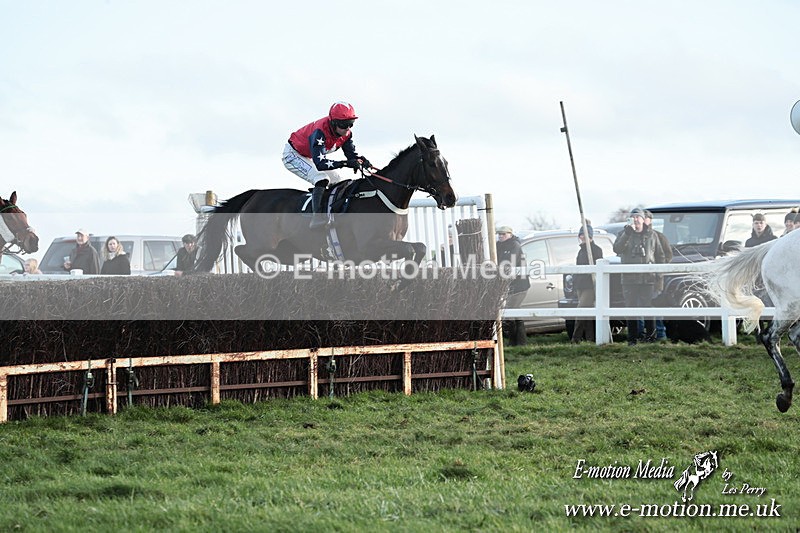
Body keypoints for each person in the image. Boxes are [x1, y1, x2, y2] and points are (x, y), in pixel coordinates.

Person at [283, 102, 372, 229]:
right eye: (344, 124)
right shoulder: (320, 132)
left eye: (351, 123)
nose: (348, 128)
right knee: (321, 178)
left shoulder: (346, 134)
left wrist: (361, 161)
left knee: (339, 182)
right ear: (333, 123)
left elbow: (351, 156)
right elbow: (320, 164)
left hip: (309, 156)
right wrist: (346, 164)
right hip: (293, 155)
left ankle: (333, 214)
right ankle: (317, 218)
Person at [613, 208, 666, 345]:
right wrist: (627, 234)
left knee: (648, 308)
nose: (635, 220)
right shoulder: (623, 234)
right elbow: (617, 249)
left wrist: (659, 275)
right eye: (633, 217)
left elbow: (660, 256)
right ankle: (632, 339)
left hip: (647, 278)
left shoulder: (652, 235)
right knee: (630, 309)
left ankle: (651, 337)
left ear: (643, 219)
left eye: (638, 217)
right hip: (629, 279)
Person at [496, 225, 530, 346]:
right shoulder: (498, 246)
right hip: (509, 284)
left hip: (519, 284)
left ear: (510, 234)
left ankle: (516, 341)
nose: (500, 236)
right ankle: (518, 341)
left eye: (503, 234)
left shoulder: (514, 245)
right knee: (514, 312)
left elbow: (509, 263)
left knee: (511, 310)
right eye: (499, 234)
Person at [643, 210, 673, 340]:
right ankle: (648, 334)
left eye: (644, 218)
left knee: (656, 305)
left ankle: (660, 334)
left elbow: (668, 255)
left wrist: (658, 271)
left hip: (655, 280)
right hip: (639, 281)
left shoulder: (659, 237)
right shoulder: (634, 236)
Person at [571, 224, 603, 343]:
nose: (583, 237)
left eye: (585, 235)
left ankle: (575, 339)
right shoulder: (581, 252)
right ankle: (590, 338)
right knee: (587, 313)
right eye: (581, 235)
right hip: (580, 285)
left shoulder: (596, 250)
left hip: (590, 285)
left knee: (581, 310)